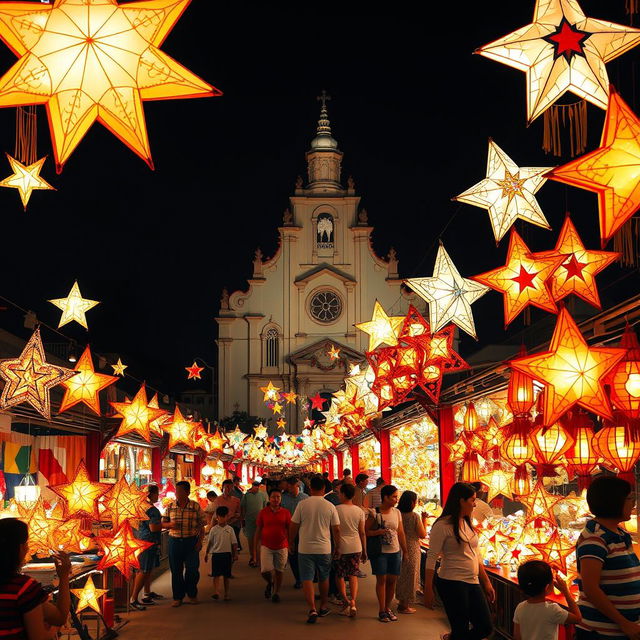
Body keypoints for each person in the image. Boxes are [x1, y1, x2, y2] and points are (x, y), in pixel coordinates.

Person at [424, 482, 495, 640]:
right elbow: (432, 556)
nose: (475, 504)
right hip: (452, 581)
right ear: (461, 501)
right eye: (472, 500)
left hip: (472, 580)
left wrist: (486, 582)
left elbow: (475, 555)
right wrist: (428, 588)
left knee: (485, 627)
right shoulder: (442, 525)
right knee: (460, 627)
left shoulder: (467, 523)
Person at [576, 475, 640, 640]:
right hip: (602, 632)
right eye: (629, 498)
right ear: (613, 501)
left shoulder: (620, 534)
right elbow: (591, 589)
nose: (633, 503)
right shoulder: (595, 539)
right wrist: (623, 622)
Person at [0, 518, 71, 640]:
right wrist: (64, 577)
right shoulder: (23, 588)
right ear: (20, 548)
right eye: (26, 543)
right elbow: (59, 618)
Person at [289, 475, 341, 624]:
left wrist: (290, 542)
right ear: (324, 488)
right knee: (324, 577)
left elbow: (294, 526)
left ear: (310, 488)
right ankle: (323, 606)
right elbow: (336, 529)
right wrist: (337, 546)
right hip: (324, 548)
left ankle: (312, 608)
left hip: (305, 548)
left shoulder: (302, 505)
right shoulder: (329, 506)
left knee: (307, 579)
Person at [365, 484, 408, 622]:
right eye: (394, 497)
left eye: (397, 497)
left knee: (392, 581)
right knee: (381, 580)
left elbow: (400, 532)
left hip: (395, 551)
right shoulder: (375, 512)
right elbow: (366, 532)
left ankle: (388, 607)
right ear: (385, 497)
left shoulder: (397, 513)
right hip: (380, 552)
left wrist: (405, 551)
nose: (396, 499)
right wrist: (377, 532)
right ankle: (381, 610)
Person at [162, 480, 205, 607]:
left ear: (187, 492)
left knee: (192, 570)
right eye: (177, 491)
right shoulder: (170, 506)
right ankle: (178, 597)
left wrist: (199, 541)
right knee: (176, 571)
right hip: (174, 542)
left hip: (191, 541)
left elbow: (202, 525)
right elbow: (163, 524)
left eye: (180, 491)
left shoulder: (195, 506)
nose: (177, 493)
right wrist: (170, 525)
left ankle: (192, 594)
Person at [514, 560, 581, 640]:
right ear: (547, 587)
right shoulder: (552, 610)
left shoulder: (520, 608)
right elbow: (578, 618)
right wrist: (566, 591)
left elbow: (517, 636)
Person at [334, 482, 366, 617]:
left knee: (339, 575)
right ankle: (353, 602)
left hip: (341, 547)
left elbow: (335, 530)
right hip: (356, 546)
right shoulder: (359, 511)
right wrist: (365, 549)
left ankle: (345, 601)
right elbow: (362, 532)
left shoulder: (335, 509)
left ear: (342, 494)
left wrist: (336, 546)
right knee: (353, 575)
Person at [255, 488, 291, 603]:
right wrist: (255, 547)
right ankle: (270, 582)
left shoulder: (286, 512)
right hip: (266, 545)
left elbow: (289, 529)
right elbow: (259, 529)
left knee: (279, 570)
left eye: (278, 497)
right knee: (265, 570)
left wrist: (290, 544)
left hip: (282, 545)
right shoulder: (263, 512)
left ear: (281, 499)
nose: (276, 499)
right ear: (269, 499)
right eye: (273, 497)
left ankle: (276, 592)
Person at [131, 484, 163, 609]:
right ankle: (133, 598)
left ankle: (147, 594)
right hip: (148, 542)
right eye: (157, 494)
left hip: (140, 540)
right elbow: (153, 527)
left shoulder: (139, 507)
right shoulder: (152, 510)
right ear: (152, 494)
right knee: (144, 570)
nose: (158, 496)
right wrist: (169, 524)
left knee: (147, 569)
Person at [396, 490, 427, 614]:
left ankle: (400, 601)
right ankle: (405, 605)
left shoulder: (397, 513)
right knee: (411, 576)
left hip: (398, 547)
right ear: (412, 502)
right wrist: (424, 518)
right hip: (412, 548)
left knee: (401, 575)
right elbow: (422, 534)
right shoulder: (414, 516)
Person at [205, 506, 238, 601]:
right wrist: (207, 553)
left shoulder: (230, 529)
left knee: (226, 576)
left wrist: (235, 554)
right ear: (217, 517)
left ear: (227, 517)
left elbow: (234, 543)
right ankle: (216, 592)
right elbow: (210, 542)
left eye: (224, 516)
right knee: (216, 575)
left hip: (227, 554)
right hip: (216, 554)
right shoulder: (213, 529)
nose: (222, 519)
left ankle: (226, 594)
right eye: (220, 517)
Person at [281, 476, 309, 589]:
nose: (289, 489)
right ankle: (298, 578)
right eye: (288, 487)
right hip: (288, 530)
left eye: (291, 486)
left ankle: (304, 578)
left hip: (303, 530)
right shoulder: (283, 498)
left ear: (297, 485)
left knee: (303, 556)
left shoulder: (305, 498)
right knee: (292, 556)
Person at [241, 480, 268, 567]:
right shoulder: (246, 496)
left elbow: (265, 507)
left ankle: (259, 559)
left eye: (257, 486)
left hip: (260, 522)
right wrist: (243, 520)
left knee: (260, 541)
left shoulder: (263, 495)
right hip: (249, 521)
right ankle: (253, 557)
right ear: (252, 486)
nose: (256, 488)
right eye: (255, 486)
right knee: (251, 540)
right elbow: (243, 508)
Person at [214, 479, 242, 553]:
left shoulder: (236, 500)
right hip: (221, 525)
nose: (229, 489)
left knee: (233, 544)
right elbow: (216, 514)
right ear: (222, 487)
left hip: (234, 524)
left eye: (231, 487)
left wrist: (233, 519)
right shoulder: (217, 500)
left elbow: (239, 513)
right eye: (227, 487)